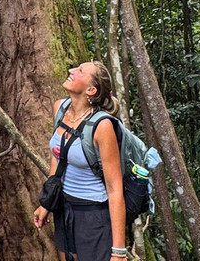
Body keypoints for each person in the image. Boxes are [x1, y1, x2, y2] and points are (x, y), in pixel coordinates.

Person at [33, 60, 128, 261]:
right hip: (64, 208)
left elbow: (114, 189)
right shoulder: (59, 108)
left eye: (80, 71)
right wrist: (47, 203)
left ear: (91, 90)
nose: (71, 70)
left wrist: (119, 251)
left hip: (93, 215)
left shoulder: (102, 127)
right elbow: (58, 157)